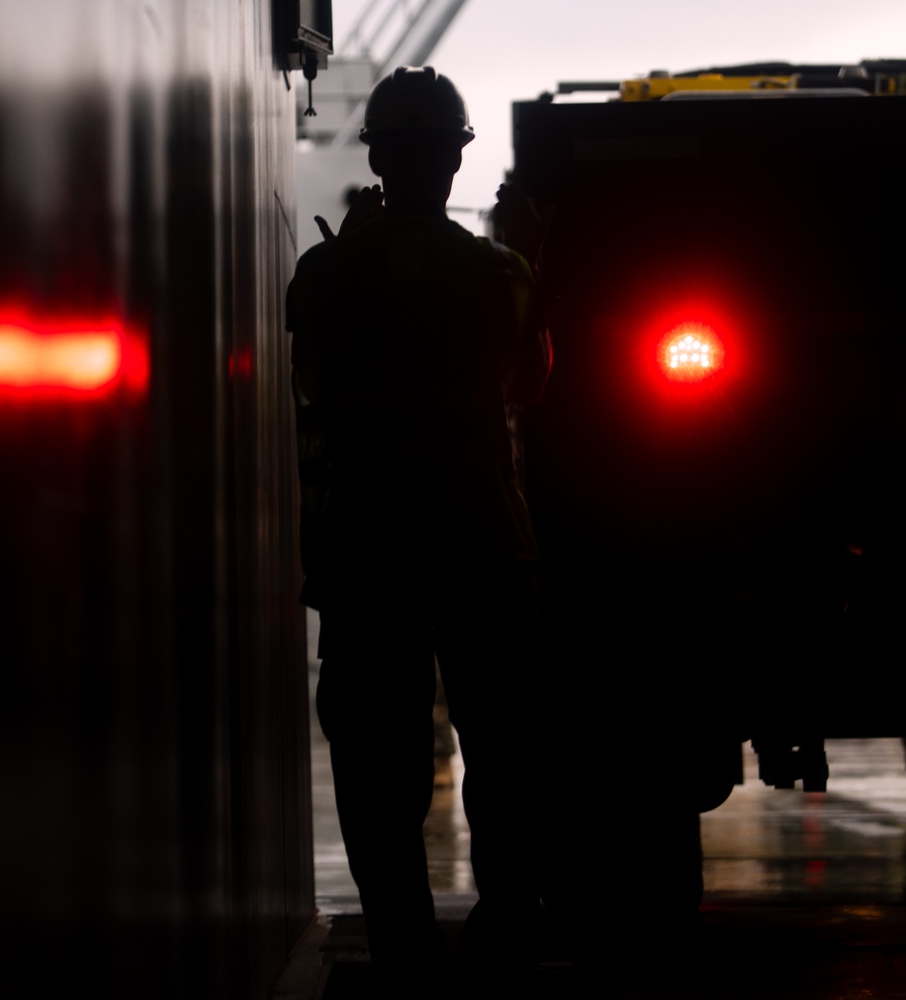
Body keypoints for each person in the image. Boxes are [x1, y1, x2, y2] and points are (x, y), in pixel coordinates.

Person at [286, 65, 552, 973]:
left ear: (379, 160)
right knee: (505, 744)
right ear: (454, 160)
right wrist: (534, 265)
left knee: (375, 753)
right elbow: (529, 385)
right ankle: (508, 921)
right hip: (482, 537)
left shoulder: (326, 272)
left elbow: (315, 384)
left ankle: (401, 934)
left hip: (369, 542)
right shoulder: (500, 269)